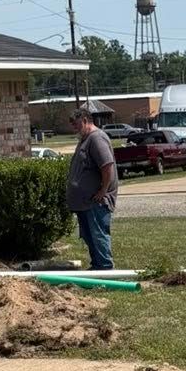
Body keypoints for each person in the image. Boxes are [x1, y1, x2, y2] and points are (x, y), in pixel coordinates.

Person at [67, 108, 119, 269]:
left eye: (75, 124)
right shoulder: (85, 139)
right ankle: (96, 266)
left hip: (96, 202)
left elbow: (107, 166)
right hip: (84, 202)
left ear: (84, 120)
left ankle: (105, 269)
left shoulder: (96, 138)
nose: (74, 128)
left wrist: (102, 191)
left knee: (98, 235)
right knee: (89, 236)